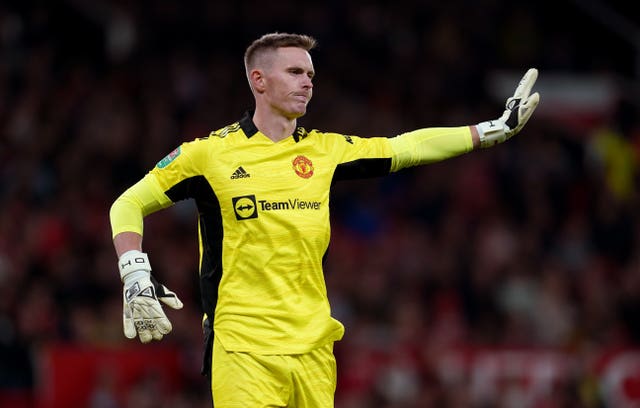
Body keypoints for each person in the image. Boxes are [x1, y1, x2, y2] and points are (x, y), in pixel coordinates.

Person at [109, 32, 540, 407]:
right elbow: (127, 204)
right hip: (243, 349)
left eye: (311, 75)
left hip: (314, 349)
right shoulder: (208, 155)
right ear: (258, 80)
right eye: (295, 72)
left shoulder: (325, 151)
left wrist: (490, 130)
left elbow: (405, 147)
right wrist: (134, 273)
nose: (308, 83)